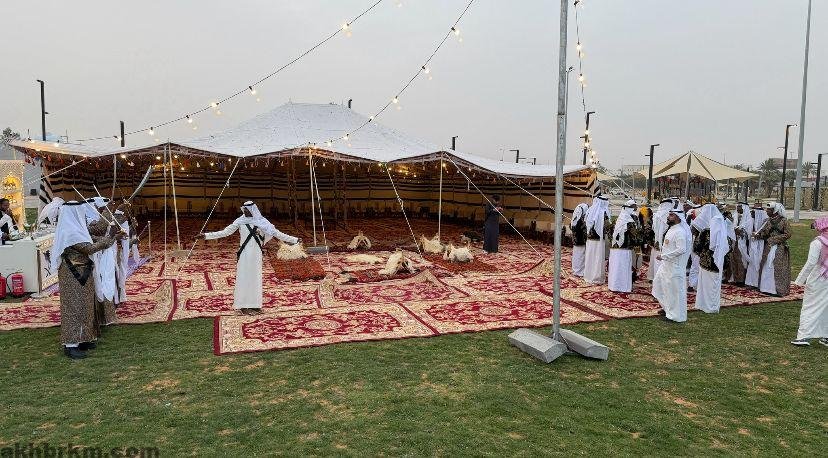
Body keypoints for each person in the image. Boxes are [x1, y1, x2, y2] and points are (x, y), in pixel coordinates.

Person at [197, 201, 300, 315]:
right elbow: (225, 232)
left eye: (247, 210)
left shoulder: (262, 222)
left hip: (256, 254)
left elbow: (277, 234)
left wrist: (294, 240)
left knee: (255, 279)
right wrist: (206, 236)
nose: (244, 211)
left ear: (253, 210)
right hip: (244, 254)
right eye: (244, 209)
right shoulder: (240, 221)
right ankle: (243, 306)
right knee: (244, 279)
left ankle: (255, 305)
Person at [53, 201, 122, 359]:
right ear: (73, 214)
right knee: (74, 307)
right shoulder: (69, 231)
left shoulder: (77, 228)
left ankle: (83, 338)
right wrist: (110, 236)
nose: (83, 215)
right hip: (72, 274)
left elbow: (93, 239)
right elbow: (89, 248)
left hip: (84, 271)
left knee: (85, 305)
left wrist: (112, 237)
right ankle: (71, 344)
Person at [790, 217, 828, 346]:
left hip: (819, 277)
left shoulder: (817, 242)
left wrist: (798, 281)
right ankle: (826, 336)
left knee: (810, 306)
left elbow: (811, 263)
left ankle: (803, 336)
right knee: (826, 307)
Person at [652, 208, 692, 322]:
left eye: (671, 215)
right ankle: (667, 308)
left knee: (674, 291)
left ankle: (675, 316)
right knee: (659, 286)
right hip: (666, 265)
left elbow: (681, 249)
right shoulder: (672, 229)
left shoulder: (680, 232)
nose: (668, 217)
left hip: (675, 266)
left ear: (678, 217)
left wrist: (664, 256)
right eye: (669, 215)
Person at [85, 197, 119, 329]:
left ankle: (106, 316)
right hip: (93, 257)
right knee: (99, 285)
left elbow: (104, 234)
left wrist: (113, 236)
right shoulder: (87, 220)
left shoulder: (97, 217)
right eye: (99, 208)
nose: (98, 210)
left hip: (102, 254)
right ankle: (99, 318)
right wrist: (107, 211)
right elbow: (99, 230)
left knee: (106, 282)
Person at [691, 204, 729, 313]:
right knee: (709, 283)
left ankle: (709, 306)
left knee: (709, 283)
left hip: (708, 260)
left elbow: (699, 246)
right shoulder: (718, 225)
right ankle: (706, 305)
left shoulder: (708, 228)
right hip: (713, 259)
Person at [754, 202, 792, 297]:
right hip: (768, 247)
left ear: (774, 211)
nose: (767, 211)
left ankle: (777, 290)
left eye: (769, 210)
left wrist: (774, 239)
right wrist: (758, 235)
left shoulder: (784, 221)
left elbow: (788, 234)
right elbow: (764, 233)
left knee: (777, 267)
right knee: (766, 265)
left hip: (779, 247)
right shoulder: (768, 221)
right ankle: (765, 288)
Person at [608, 200, 641, 292]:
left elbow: (610, 232)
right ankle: (622, 287)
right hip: (625, 250)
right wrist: (639, 244)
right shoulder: (630, 222)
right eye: (633, 207)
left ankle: (614, 286)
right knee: (623, 268)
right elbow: (635, 236)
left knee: (616, 267)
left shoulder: (618, 219)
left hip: (615, 249)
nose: (635, 209)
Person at [583, 194, 611, 284]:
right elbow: (607, 226)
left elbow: (585, 222)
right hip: (599, 240)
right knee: (597, 259)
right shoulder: (603, 212)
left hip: (590, 239)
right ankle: (596, 277)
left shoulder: (590, 210)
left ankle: (588, 275)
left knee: (590, 257)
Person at [648, 199, 674, 282]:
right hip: (666, 243)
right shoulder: (670, 216)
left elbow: (651, 229)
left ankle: (654, 278)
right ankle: (659, 281)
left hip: (656, 242)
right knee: (662, 262)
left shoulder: (656, 215)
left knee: (656, 260)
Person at [745, 204, 767, 288]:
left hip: (761, 244)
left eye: (753, 212)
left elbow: (767, 234)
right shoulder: (752, 220)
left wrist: (759, 235)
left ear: (758, 213)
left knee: (759, 261)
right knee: (752, 262)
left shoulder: (765, 222)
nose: (751, 214)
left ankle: (758, 283)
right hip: (753, 243)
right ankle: (751, 282)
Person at [730, 202, 752, 285]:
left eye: (740, 207)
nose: (738, 208)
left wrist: (741, 232)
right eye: (737, 207)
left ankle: (741, 280)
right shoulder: (735, 217)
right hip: (735, 242)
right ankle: (735, 278)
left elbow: (749, 231)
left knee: (741, 260)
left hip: (744, 243)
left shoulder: (748, 218)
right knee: (734, 259)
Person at [570, 202, 589, 277]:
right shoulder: (581, 220)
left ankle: (576, 270)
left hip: (576, 241)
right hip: (580, 241)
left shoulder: (575, 218)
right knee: (580, 256)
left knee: (576, 255)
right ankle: (579, 271)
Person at [686, 203, 702, 291]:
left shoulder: (703, 221)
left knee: (698, 266)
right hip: (695, 246)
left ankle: (696, 284)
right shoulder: (690, 217)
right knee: (695, 265)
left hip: (701, 246)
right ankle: (692, 284)